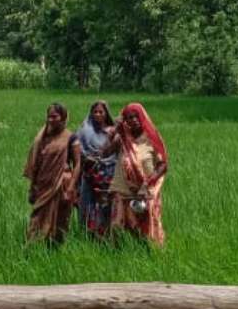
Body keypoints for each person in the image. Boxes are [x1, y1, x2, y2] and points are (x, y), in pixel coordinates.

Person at [106, 103, 168, 246]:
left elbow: (163, 164)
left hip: (145, 190)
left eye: (136, 116)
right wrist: (116, 129)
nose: (133, 120)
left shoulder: (152, 137)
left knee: (145, 226)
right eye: (129, 118)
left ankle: (149, 253)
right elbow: (106, 152)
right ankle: (117, 255)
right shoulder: (121, 137)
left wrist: (148, 183)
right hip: (123, 189)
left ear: (142, 117)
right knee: (116, 225)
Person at [24, 103, 75, 244]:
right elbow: (36, 164)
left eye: (55, 116)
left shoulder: (70, 138)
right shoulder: (42, 138)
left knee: (60, 219)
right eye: (49, 116)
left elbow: (78, 165)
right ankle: (32, 247)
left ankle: (55, 248)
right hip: (43, 185)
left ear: (63, 117)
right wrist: (32, 186)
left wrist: (71, 188)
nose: (51, 120)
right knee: (37, 218)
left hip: (62, 184)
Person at [70, 101, 116, 238]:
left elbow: (117, 152)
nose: (97, 114)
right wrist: (88, 159)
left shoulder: (113, 131)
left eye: (101, 112)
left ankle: (106, 235)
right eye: (95, 112)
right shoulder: (84, 131)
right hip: (90, 174)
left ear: (106, 114)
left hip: (109, 173)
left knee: (106, 205)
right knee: (89, 204)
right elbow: (78, 152)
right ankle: (87, 235)